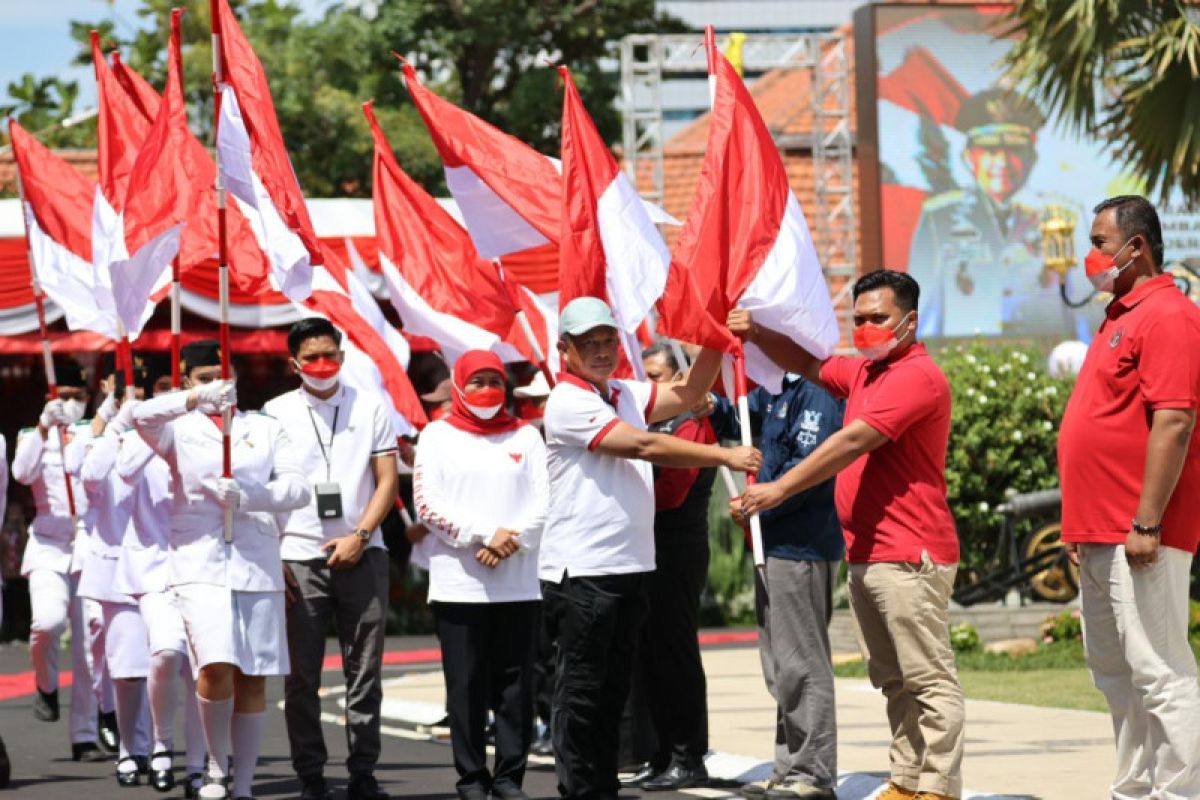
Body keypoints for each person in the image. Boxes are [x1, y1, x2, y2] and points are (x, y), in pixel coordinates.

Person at [731, 270, 964, 800]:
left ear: (910, 321)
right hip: (870, 553)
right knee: (894, 680)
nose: (866, 328)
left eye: (878, 318)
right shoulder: (865, 374)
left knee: (927, 679)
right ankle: (907, 779)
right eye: (858, 319)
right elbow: (808, 365)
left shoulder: (915, 377)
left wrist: (779, 489)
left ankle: (938, 786)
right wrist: (757, 333)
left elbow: (853, 440)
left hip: (911, 552)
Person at [540, 297, 762, 800]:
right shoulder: (568, 400)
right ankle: (580, 790)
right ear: (565, 350)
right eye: (587, 343)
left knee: (613, 693)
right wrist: (722, 454)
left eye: (606, 341)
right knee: (582, 698)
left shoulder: (620, 391)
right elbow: (643, 446)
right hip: (584, 573)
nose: (599, 351)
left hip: (630, 566)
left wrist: (715, 338)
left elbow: (689, 390)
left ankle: (601, 790)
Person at [1057, 196, 1200, 799]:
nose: (1090, 257)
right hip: (1098, 531)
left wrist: (1147, 520)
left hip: (1140, 531)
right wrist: (1077, 527)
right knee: (1116, 675)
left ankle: (1180, 791)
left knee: (1161, 671)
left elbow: (1174, 421)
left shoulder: (1168, 314)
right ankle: (1136, 789)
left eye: (1098, 243)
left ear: (1135, 247)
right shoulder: (1119, 314)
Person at [133, 340, 311, 800]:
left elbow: (298, 489)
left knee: (253, 675)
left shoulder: (265, 429)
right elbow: (141, 417)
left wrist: (252, 494)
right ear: (189, 380)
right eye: (204, 377)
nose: (216, 384)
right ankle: (215, 765)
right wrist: (194, 401)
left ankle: (244, 785)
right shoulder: (178, 429)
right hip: (199, 562)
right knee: (213, 667)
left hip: (256, 559)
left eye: (221, 376)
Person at [264, 318, 399, 800]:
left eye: (331, 355)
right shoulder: (274, 413)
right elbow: (267, 491)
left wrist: (360, 535)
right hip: (298, 555)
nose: (324, 365)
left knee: (364, 671)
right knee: (301, 676)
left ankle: (363, 772)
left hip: (363, 552)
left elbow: (387, 479)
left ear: (342, 356)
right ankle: (311, 776)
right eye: (313, 357)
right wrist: (273, 557)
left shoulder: (370, 405)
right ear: (294, 363)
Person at [414, 349, 549, 800]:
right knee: (466, 687)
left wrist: (510, 541)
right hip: (459, 584)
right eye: (477, 380)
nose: (487, 388)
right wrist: (483, 536)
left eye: (495, 378)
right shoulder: (436, 436)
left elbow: (545, 502)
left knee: (517, 688)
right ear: (459, 385)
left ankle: (510, 777)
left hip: (519, 581)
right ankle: (472, 778)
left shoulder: (526, 437)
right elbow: (428, 506)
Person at [710, 370, 844, 800]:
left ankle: (814, 772)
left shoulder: (816, 391)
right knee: (781, 665)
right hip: (772, 540)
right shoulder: (774, 387)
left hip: (799, 544)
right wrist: (713, 408)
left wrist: (760, 503)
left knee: (802, 662)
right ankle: (789, 766)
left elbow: (808, 469)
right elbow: (744, 423)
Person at [906, 87, 1093, 339]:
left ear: (1031, 158)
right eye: (990, 151)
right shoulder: (939, 218)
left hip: (1050, 364)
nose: (1002, 163)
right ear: (969, 157)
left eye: (1014, 151)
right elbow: (921, 312)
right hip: (964, 364)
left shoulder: (1064, 217)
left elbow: (1085, 310)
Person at [623, 344, 719, 791]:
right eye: (646, 376)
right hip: (645, 547)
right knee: (647, 653)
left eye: (659, 375)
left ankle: (688, 753)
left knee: (675, 652)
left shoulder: (691, 425)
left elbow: (674, 491)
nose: (651, 385)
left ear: (682, 379)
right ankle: (658, 751)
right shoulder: (648, 423)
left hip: (677, 548)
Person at [113, 359, 208, 797]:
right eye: (162, 388)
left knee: (200, 669)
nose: (172, 393)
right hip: (152, 566)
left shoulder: (211, 431)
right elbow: (119, 471)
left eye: (179, 386)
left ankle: (197, 763)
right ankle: (161, 745)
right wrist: (156, 421)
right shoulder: (141, 433)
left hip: (202, 564)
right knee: (166, 653)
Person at [11, 360, 113, 762]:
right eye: (63, 397)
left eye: (77, 397)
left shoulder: (94, 433)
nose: (70, 403)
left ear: (88, 399)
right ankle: (46, 685)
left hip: (87, 543)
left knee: (90, 643)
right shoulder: (30, 434)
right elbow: (21, 473)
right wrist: (41, 427)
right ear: (50, 399)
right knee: (46, 623)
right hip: (49, 544)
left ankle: (84, 735)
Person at [73, 369, 154, 787]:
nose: (134, 403)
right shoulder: (102, 435)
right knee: (125, 667)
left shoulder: (164, 436)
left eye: (141, 395)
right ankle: (130, 749)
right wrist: (112, 422)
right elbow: (85, 474)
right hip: (113, 565)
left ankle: (157, 746)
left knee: (166, 663)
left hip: (162, 565)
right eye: (128, 396)